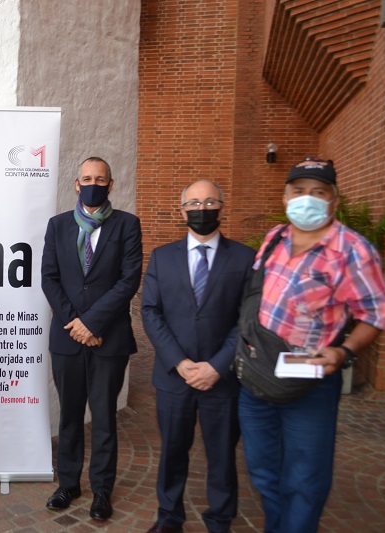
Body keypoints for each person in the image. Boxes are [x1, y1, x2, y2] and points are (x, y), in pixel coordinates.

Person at [238, 158, 385, 533]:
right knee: (262, 469)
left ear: (333, 201)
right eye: (299, 191)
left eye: (318, 192)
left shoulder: (353, 250)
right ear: (285, 196)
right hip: (257, 376)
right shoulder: (275, 239)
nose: (306, 199)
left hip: (310, 380)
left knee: (305, 479)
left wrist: (344, 351)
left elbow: (375, 314)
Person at [142, 180, 255, 533]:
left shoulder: (245, 258)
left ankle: (220, 521)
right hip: (174, 376)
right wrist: (179, 361)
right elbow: (151, 312)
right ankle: (169, 518)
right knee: (172, 452)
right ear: (182, 211)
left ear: (222, 207)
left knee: (222, 456)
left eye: (208, 202)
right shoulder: (162, 257)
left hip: (222, 379)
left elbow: (248, 318)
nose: (200, 209)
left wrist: (217, 366)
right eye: (193, 203)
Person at [41, 156, 143, 521]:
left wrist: (93, 324)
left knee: (103, 418)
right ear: (76, 183)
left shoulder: (127, 225)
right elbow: (49, 278)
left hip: (108, 340)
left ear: (111, 185)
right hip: (67, 338)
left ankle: (102, 490)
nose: (93, 184)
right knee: (70, 417)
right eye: (87, 178)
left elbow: (128, 280)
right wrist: (77, 324)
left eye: (100, 179)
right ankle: (68, 484)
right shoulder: (57, 226)